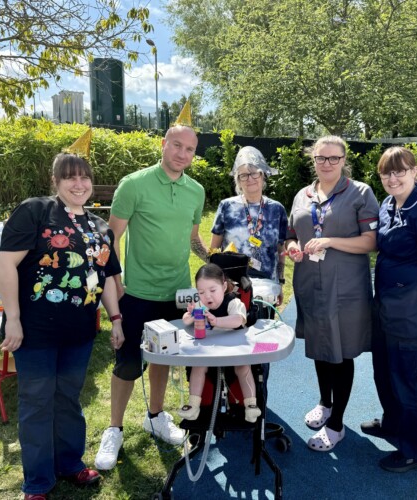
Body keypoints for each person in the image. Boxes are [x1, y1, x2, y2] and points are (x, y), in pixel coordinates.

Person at [0, 153, 124, 500]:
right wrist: (14, 319)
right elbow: (5, 265)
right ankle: (38, 483)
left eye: (84, 177)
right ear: (56, 181)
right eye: (70, 177)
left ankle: (69, 463)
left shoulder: (100, 228)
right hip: (35, 332)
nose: (79, 184)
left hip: (78, 333)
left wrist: (115, 319)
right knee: (37, 403)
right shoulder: (35, 211)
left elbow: (103, 277)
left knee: (68, 399)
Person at [95, 124, 209, 470]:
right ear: (163, 144)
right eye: (177, 145)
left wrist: (215, 262)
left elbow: (193, 239)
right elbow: (112, 238)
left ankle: (155, 416)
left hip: (177, 293)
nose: (182, 154)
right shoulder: (133, 184)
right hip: (137, 292)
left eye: (189, 149)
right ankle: (114, 429)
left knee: (164, 358)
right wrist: (116, 282)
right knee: (128, 363)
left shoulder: (196, 191)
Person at [361, 146, 417, 472]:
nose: (392, 178)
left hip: (411, 313)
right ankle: (393, 426)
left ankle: (414, 451)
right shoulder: (388, 204)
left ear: (414, 171)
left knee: (408, 380)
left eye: (400, 170)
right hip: (386, 306)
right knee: (385, 373)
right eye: (386, 172)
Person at [285, 135, 379, 452]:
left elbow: (370, 242)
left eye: (333, 158)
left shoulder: (360, 193)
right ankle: (325, 403)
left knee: (341, 351)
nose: (327, 163)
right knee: (319, 346)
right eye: (321, 158)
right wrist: (293, 247)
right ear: (313, 160)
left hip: (346, 288)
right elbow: (291, 234)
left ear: (343, 160)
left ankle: (337, 424)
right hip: (310, 284)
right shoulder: (302, 195)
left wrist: (329, 241)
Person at [177, 263, 261, 423]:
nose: (207, 297)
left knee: (243, 367)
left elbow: (238, 320)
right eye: (201, 292)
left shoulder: (233, 303)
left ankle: (251, 405)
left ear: (223, 286)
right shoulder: (201, 305)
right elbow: (185, 321)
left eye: (212, 290)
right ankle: (193, 405)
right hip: (209, 352)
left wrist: (216, 321)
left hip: (234, 350)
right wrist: (191, 314)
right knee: (198, 366)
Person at [210, 146, 287, 306]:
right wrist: (215, 282)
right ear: (238, 180)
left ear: (263, 175)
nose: (250, 179)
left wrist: (280, 282)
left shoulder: (277, 209)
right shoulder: (227, 207)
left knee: (263, 322)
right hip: (232, 286)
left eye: (254, 173)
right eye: (243, 175)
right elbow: (214, 250)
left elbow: (281, 251)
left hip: (268, 286)